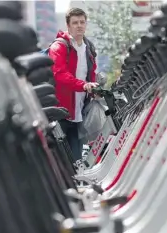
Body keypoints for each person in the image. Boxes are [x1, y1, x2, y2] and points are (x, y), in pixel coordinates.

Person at [48, 7, 98, 162]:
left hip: (79, 113)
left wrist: (93, 88)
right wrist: (82, 85)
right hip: (60, 112)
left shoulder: (88, 48)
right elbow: (59, 74)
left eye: (82, 22)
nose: (79, 26)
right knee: (61, 161)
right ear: (68, 25)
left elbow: (91, 73)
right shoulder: (60, 47)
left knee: (78, 161)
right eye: (75, 22)